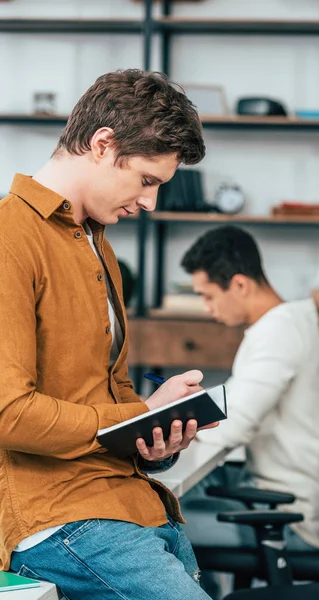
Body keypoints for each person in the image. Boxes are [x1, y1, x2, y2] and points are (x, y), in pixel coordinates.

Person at [0, 68, 217, 600]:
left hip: (130, 504)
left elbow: (105, 394)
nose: (150, 204)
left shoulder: (97, 245)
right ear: (103, 145)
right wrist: (135, 416)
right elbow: (8, 413)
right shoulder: (10, 237)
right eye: (147, 181)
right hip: (62, 517)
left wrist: (156, 437)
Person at [180, 225, 319, 595]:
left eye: (208, 296)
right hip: (280, 494)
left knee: (152, 526)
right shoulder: (289, 320)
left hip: (291, 520)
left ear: (239, 284)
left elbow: (233, 425)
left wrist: (170, 420)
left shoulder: (277, 333)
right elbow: (235, 401)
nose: (207, 309)